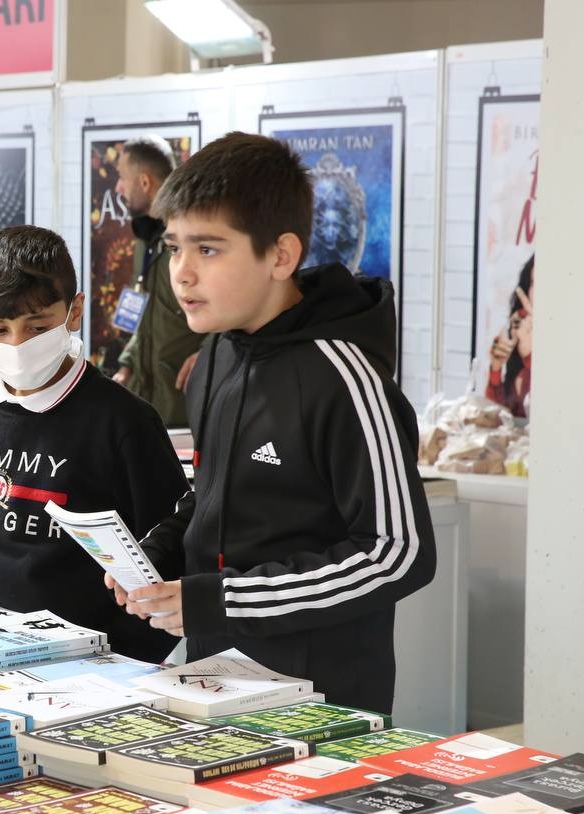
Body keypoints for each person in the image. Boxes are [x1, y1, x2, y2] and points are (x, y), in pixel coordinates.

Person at [107, 132, 436, 713]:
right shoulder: (215, 358)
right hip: (211, 686)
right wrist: (158, 552)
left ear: (281, 256)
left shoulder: (346, 377)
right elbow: (210, 496)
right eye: (174, 247)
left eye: (208, 250)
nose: (182, 273)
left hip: (321, 704)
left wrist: (225, 601)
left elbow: (397, 553)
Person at [0, 225, 188, 663]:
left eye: (37, 327)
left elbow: (169, 545)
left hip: (82, 666)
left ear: (74, 312)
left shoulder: (122, 421)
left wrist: (127, 660)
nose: (17, 344)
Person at [111, 136, 206, 427]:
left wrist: (210, 353)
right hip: (148, 408)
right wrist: (127, 366)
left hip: (186, 410)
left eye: (121, 178)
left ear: (144, 182)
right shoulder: (145, 239)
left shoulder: (196, 236)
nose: (117, 188)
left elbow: (236, 306)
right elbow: (149, 312)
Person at [485, 255, 534, 418]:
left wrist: (529, 355)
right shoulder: (517, 339)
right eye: (533, 283)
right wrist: (496, 369)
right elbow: (495, 417)